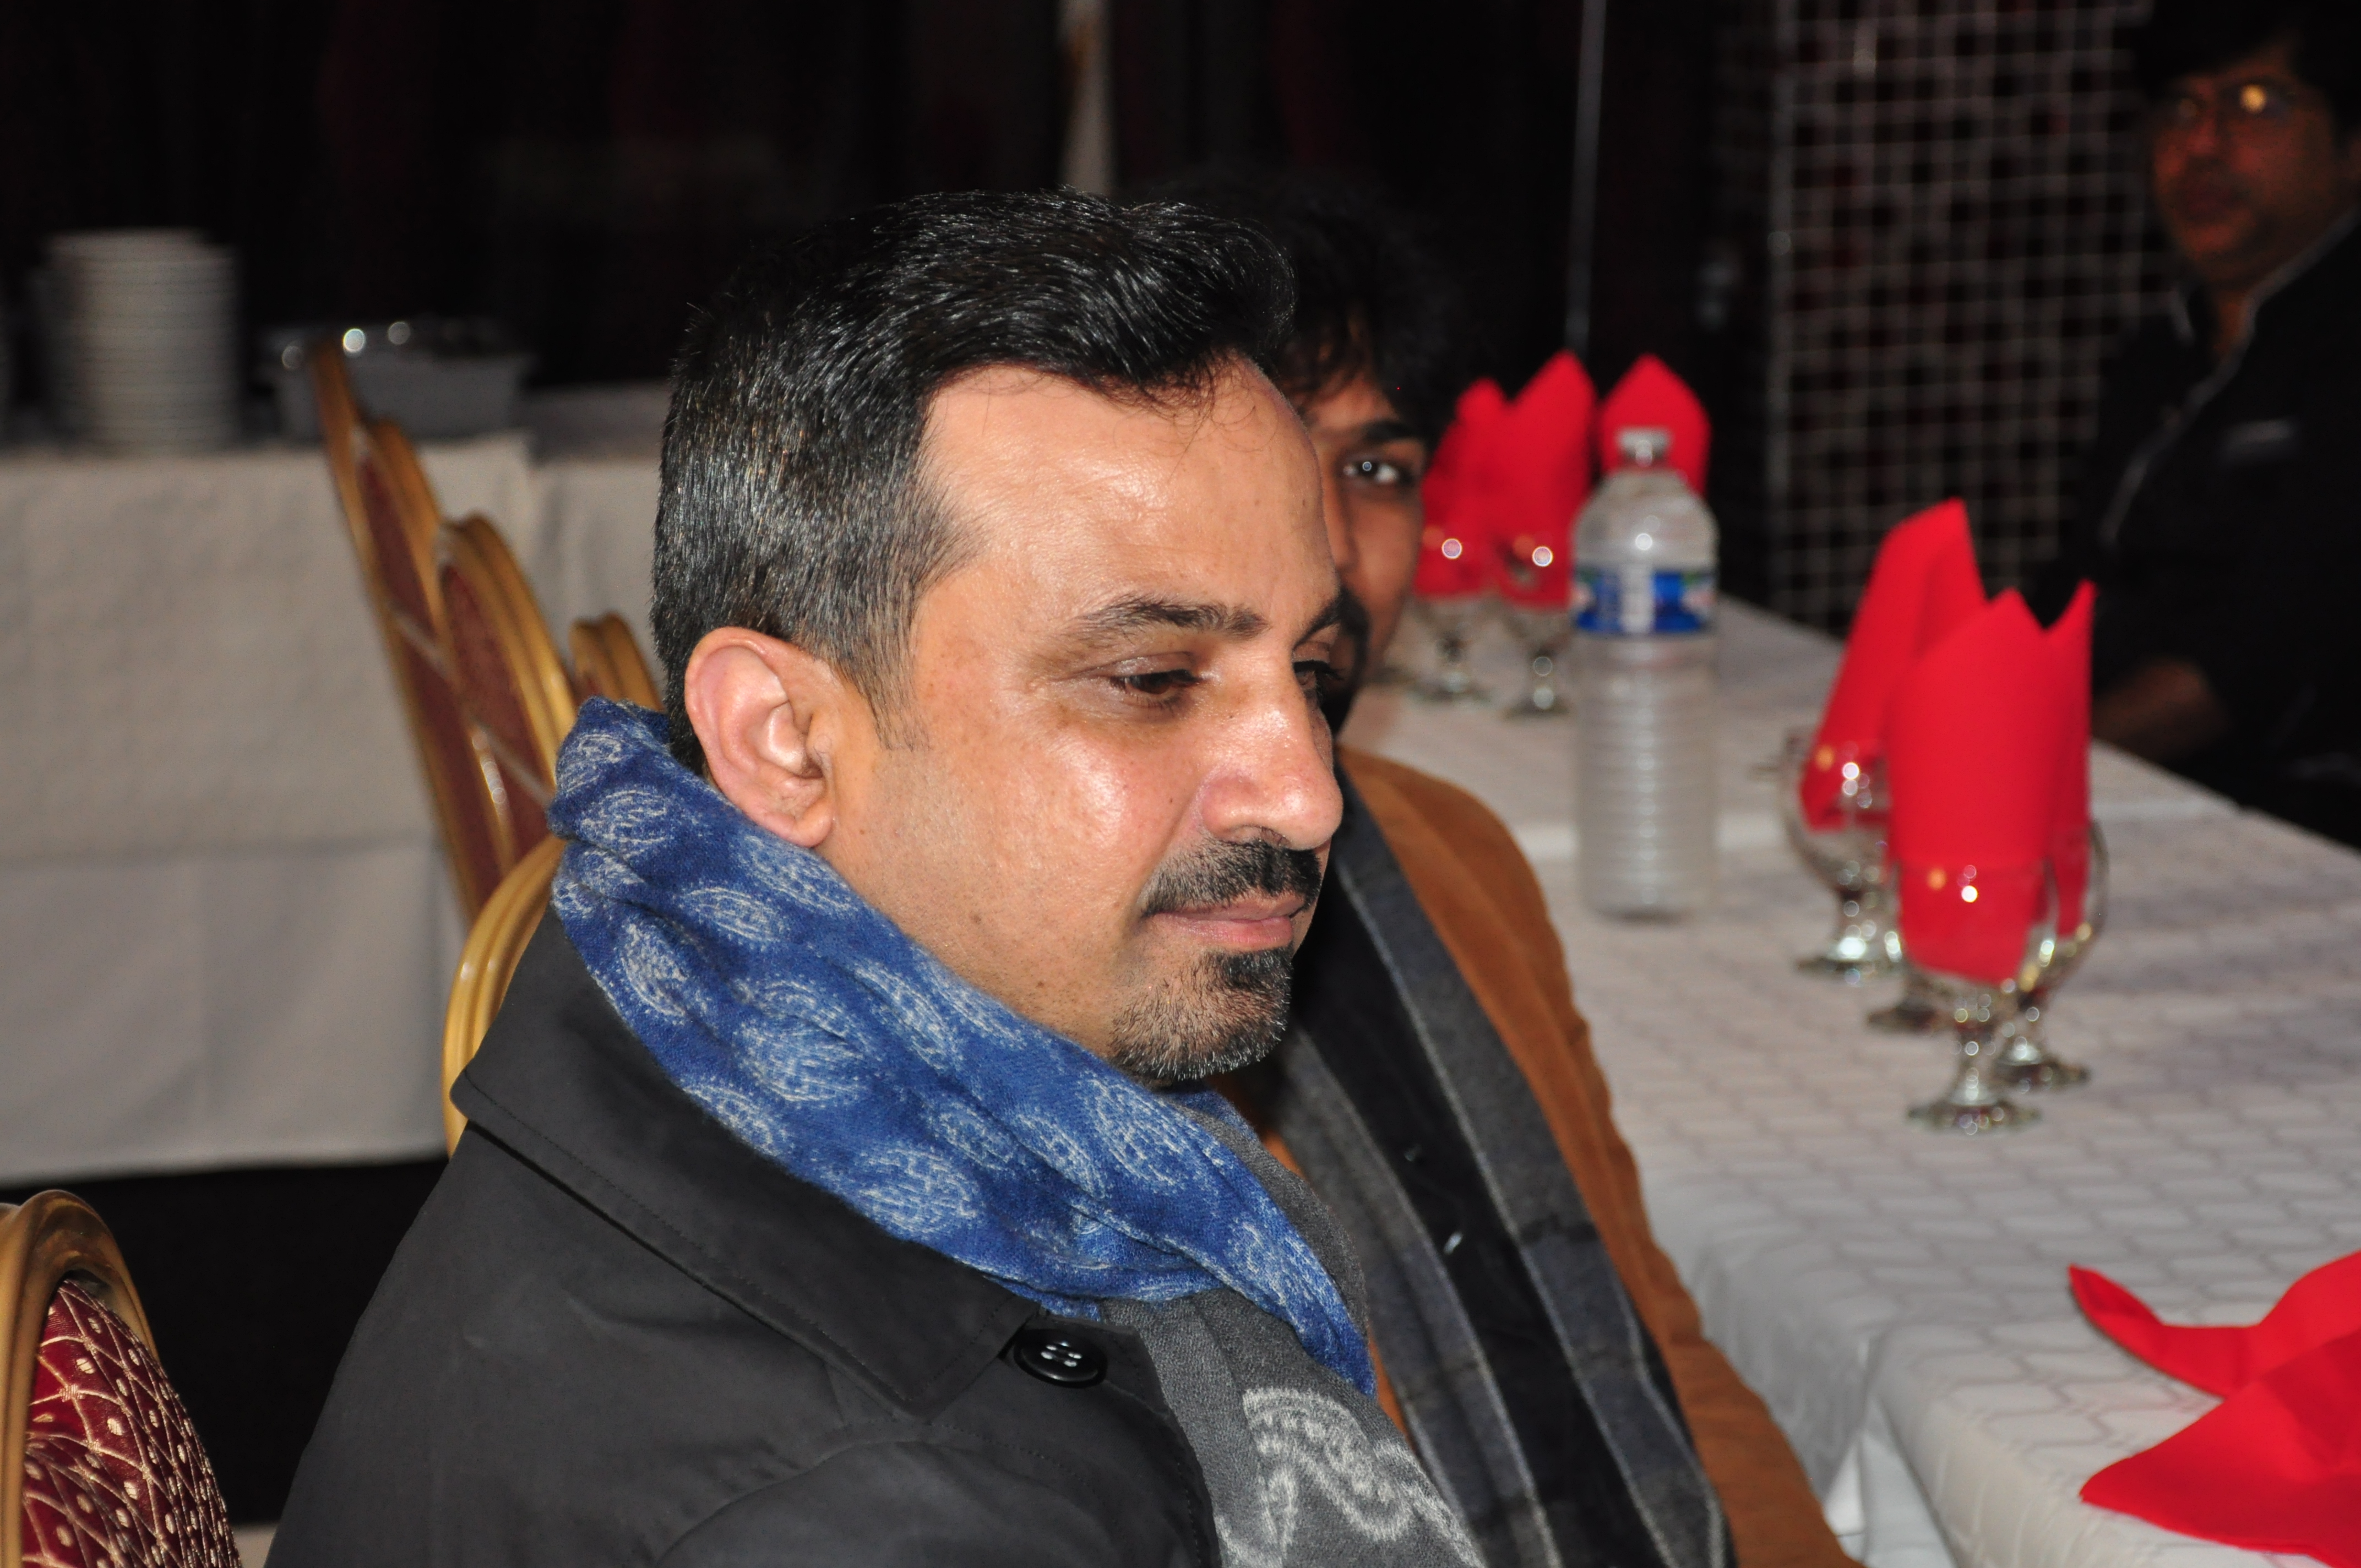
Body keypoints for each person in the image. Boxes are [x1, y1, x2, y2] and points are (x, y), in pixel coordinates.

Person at [269, 190, 1490, 1566]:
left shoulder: (672, 990)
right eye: (1153, 678)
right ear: (782, 740)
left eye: (1308, 670)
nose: (1308, 792)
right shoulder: (880, 1508)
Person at [1160, 173, 1848, 1568]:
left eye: (1375, 471)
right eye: (1272, 458)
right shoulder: (1080, 929)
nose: (1333, 546)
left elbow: (1655, 1339)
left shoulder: (1454, 857)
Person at [2033, 0, 2361, 845]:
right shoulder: (2161, 352)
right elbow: (2082, 584)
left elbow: (2258, 658)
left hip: (2296, 822)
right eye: (2181, 107)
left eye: (2257, 105)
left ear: (2352, 149)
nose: (2204, 145)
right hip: (2126, 786)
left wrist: (2030, 766)